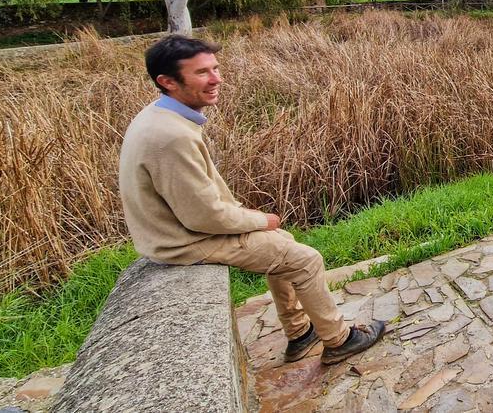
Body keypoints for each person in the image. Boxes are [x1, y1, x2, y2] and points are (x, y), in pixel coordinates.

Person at [118, 35, 384, 366]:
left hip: (176, 233)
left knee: (282, 244)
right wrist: (260, 220)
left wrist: (253, 221)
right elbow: (201, 216)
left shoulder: (159, 117)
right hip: (183, 242)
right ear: (168, 81)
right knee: (306, 259)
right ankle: (339, 339)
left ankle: (300, 333)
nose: (216, 79)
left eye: (215, 68)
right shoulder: (170, 136)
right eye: (202, 72)